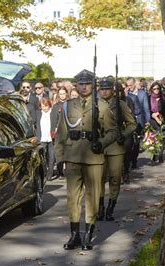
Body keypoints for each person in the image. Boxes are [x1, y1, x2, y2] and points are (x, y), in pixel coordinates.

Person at [55, 70, 117, 251]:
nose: (84, 86)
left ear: (93, 85)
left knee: (92, 197)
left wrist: (102, 142)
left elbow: (113, 132)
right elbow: (60, 134)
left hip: (94, 158)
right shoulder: (68, 106)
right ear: (76, 85)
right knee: (72, 198)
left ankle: (88, 234)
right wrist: (60, 158)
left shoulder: (102, 107)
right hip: (73, 157)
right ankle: (74, 234)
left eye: (87, 83)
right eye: (80, 83)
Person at [97, 78, 136, 221]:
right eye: (102, 88)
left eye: (107, 88)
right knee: (99, 178)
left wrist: (123, 135)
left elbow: (132, 124)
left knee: (114, 178)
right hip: (100, 146)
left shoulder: (121, 105)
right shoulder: (95, 104)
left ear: (113, 90)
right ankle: (100, 206)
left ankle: (110, 207)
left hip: (115, 146)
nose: (104, 91)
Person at [36, 97, 58, 180]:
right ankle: (44, 173)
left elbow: (58, 122)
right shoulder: (38, 113)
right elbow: (34, 124)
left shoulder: (53, 112)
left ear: (49, 105)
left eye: (46, 106)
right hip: (42, 139)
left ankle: (49, 175)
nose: (45, 108)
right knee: (43, 158)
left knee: (52, 157)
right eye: (43, 106)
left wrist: (56, 128)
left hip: (51, 138)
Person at [148, 82, 165, 163]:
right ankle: (154, 154)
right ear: (152, 89)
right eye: (154, 89)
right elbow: (147, 108)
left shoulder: (163, 97)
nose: (156, 90)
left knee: (162, 138)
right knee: (153, 138)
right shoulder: (149, 97)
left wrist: (158, 113)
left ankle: (160, 155)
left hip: (161, 119)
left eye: (158, 88)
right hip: (152, 120)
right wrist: (152, 115)